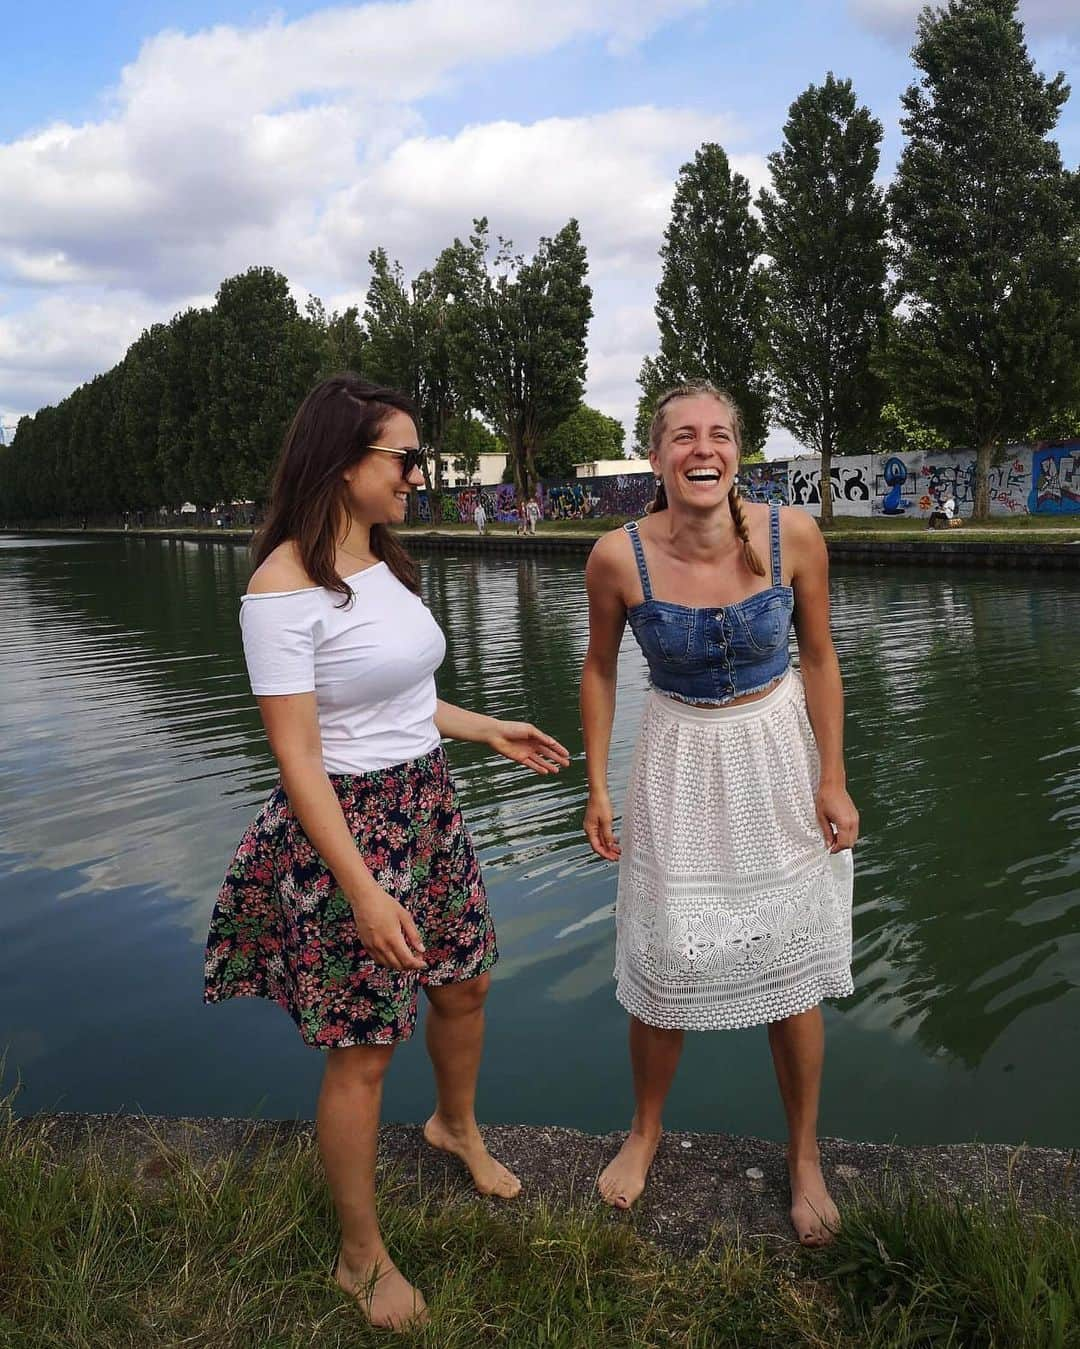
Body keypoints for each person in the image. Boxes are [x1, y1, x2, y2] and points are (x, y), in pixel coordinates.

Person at [204, 374, 570, 1331]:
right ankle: (359, 1256)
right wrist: (362, 890)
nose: (420, 473)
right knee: (364, 1046)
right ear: (342, 461)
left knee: (464, 981)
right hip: (344, 830)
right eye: (404, 458)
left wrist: (487, 726)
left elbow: (402, 700)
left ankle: (453, 1124)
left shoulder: (385, 562)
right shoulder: (280, 590)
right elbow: (299, 759)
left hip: (426, 804)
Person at [580, 381, 858, 1247]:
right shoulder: (616, 557)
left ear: (738, 450)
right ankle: (646, 1127)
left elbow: (818, 657)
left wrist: (834, 777)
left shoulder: (793, 536)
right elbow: (598, 669)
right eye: (684, 438)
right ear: (657, 454)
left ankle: (804, 1153)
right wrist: (596, 783)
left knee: (791, 962)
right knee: (665, 954)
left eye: (721, 436)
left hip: (775, 754)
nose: (704, 451)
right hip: (677, 760)